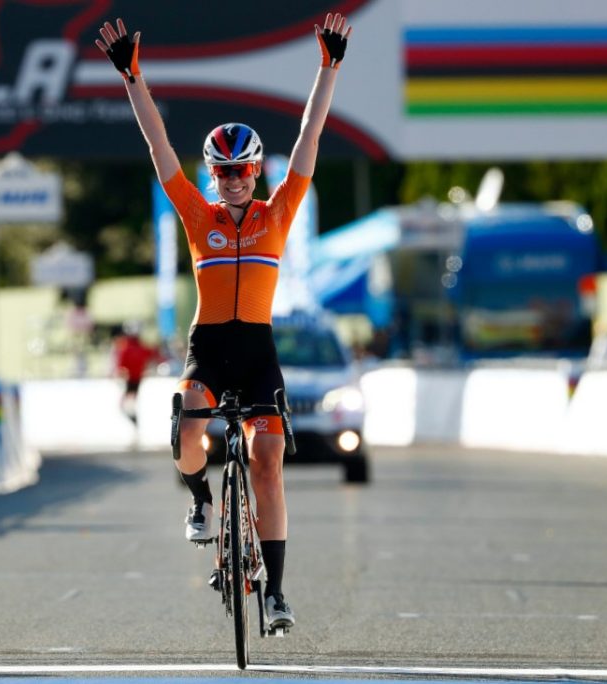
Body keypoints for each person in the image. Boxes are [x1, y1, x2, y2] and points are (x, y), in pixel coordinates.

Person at [97, 12, 351, 630]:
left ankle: (279, 593)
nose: (231, 181)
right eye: (221, 171)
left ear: (256, 170)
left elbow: (310, 135)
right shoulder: (195, 213)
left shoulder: (279, 211)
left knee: (268, 460)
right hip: (208, 346)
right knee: (188, 425)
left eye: (240, 170)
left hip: (258, 351)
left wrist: (328, 67)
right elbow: (159, 148)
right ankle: (203, 503)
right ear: (211, 174)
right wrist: (134, 78)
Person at [112, 321, 161, 426]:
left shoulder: (126, 348)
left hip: (132, 381)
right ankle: (135, 423)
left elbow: (121, 366)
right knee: (128, 405)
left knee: (126, 405)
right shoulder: (139, 348)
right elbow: (154, 354)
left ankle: (135, 423)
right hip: (135, 380)